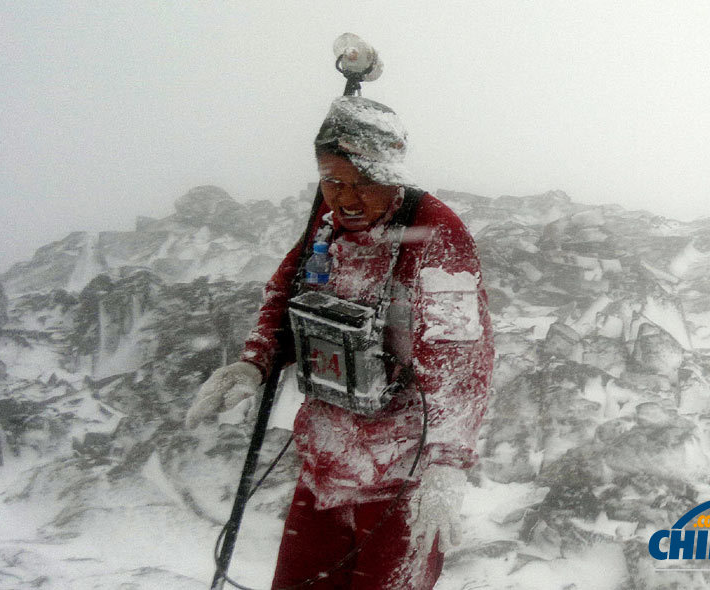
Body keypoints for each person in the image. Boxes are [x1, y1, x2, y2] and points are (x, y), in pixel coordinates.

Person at [186, 96, 494, 589]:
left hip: (402, 475)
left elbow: (459, 361)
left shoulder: (435, 234)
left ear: (392, 174)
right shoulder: (328, 224)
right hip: (325, 462)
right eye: (332, 182)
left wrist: (447, 465)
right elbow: (288, 293)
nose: (347, 199)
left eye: (365, 183)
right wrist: (255, 362)